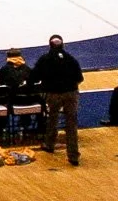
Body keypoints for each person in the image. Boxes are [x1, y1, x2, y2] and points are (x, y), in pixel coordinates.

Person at [33, 35, 83, 166]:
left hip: (53, 94)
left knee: (52, 117)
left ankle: (49, 144)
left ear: (50, 45)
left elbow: (34, 77)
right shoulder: (70, 59)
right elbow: (80, 78)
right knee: (71, 124)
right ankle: (73, 155)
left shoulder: (45, 59)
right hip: (71, 93)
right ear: (63, 45)